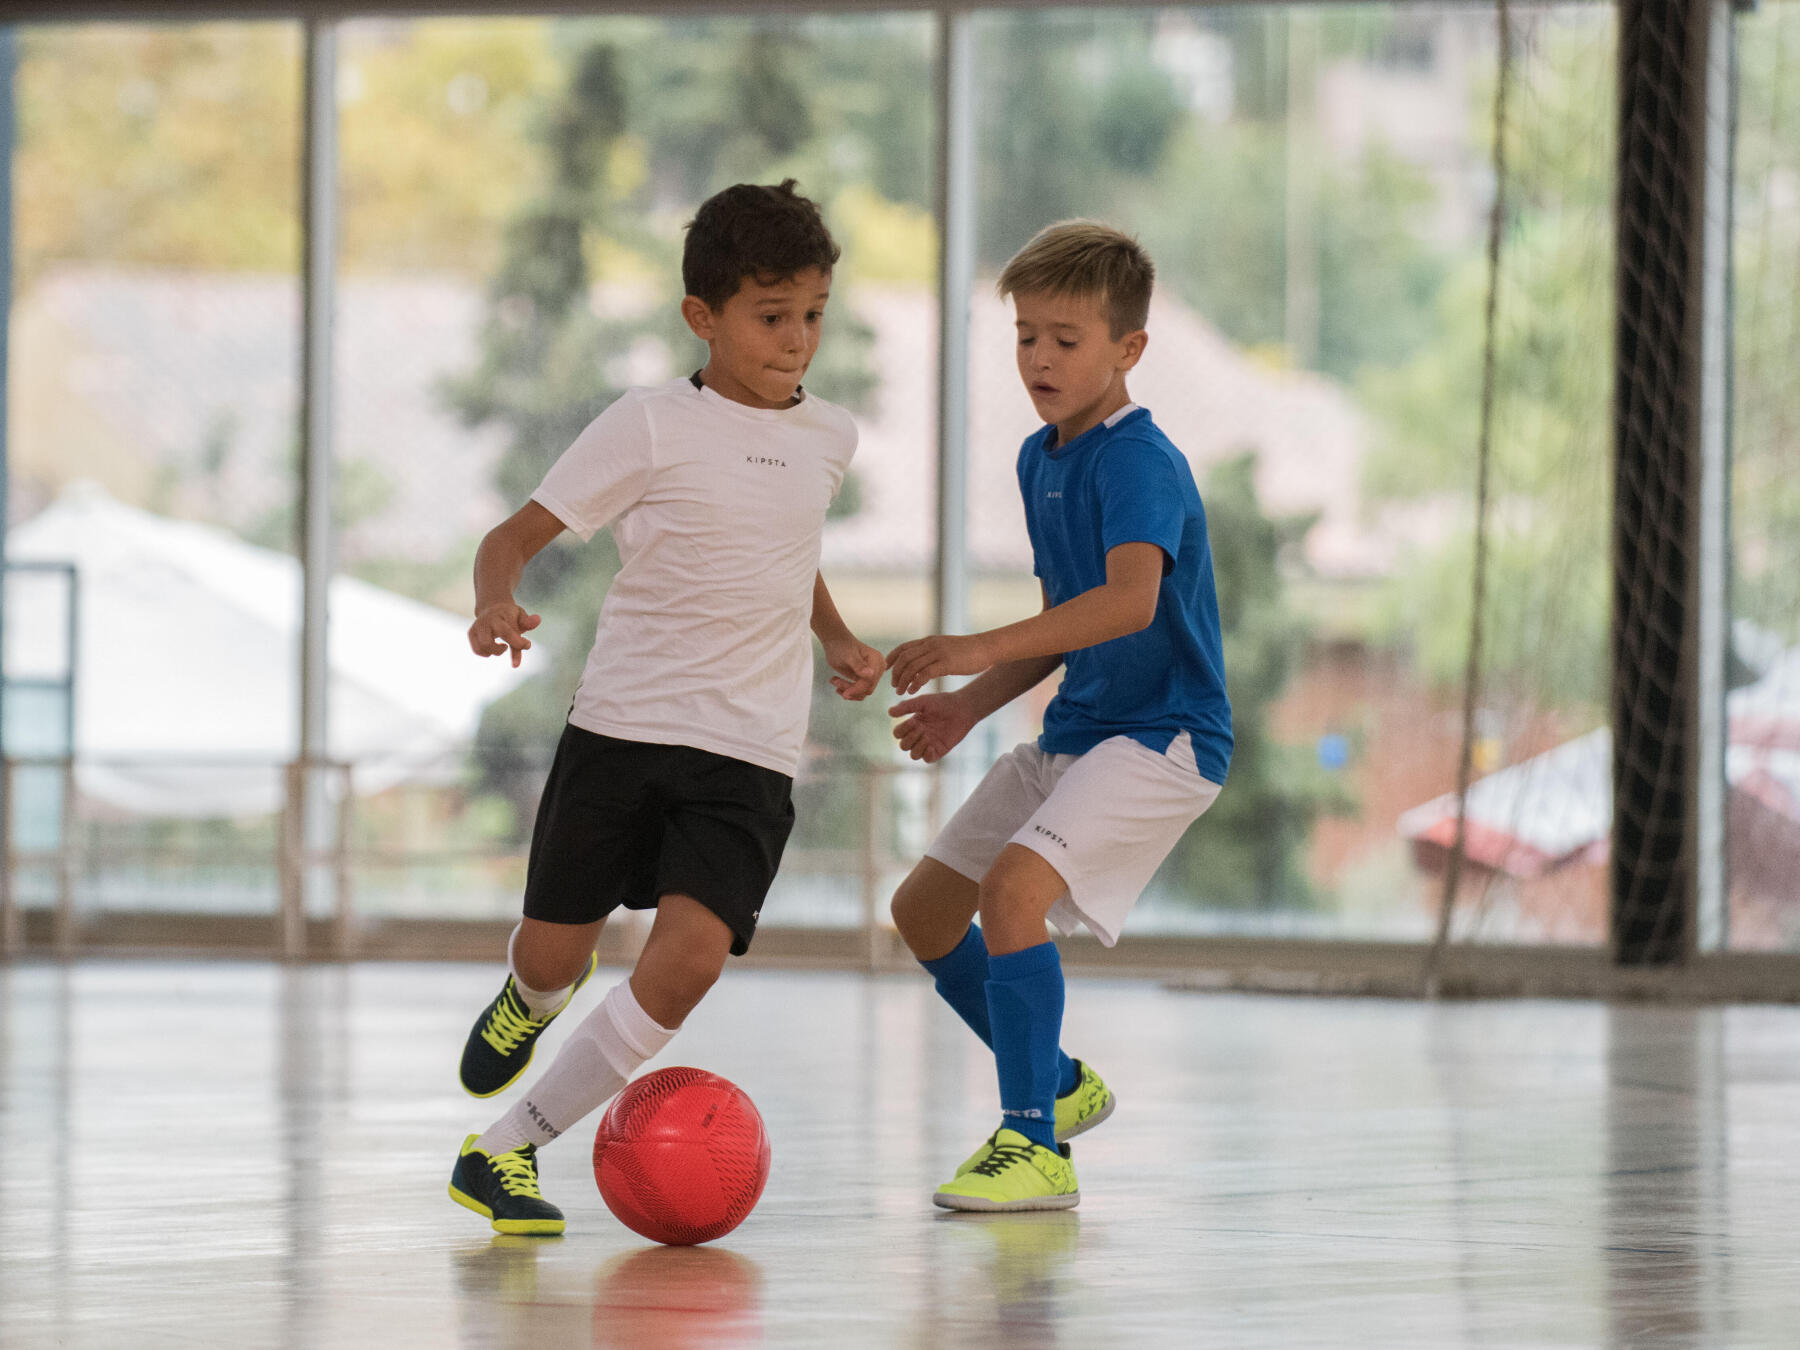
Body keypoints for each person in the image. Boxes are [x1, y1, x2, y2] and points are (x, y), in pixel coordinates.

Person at [448, 179, 884, 1236]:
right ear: (704, 317)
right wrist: (495, 600)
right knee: (554, 955)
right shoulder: (647, 425)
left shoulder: (832, 438)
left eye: (813, 315)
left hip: (750, 750)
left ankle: (503, 1152)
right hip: (623, 732)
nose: (797, 340)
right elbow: (510, 537)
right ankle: (533, 1001)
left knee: (686, 962)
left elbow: (787, 551)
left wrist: (833, 634)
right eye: (771, 317)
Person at [884, 221, 1232, 1212]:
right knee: (923, 911)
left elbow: (1127, 603)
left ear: (1129, 350)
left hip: (1165, 737)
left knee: (1012, 891)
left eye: (1066, 339)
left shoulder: (1139, 463)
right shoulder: (1043, 457)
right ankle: (1063, 1085)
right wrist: (964, 705)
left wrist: (973, 648)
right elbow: (1063, 625)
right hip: (1080, 730)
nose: (1039, 357)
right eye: (1026, 335)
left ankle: (1031, 1143)